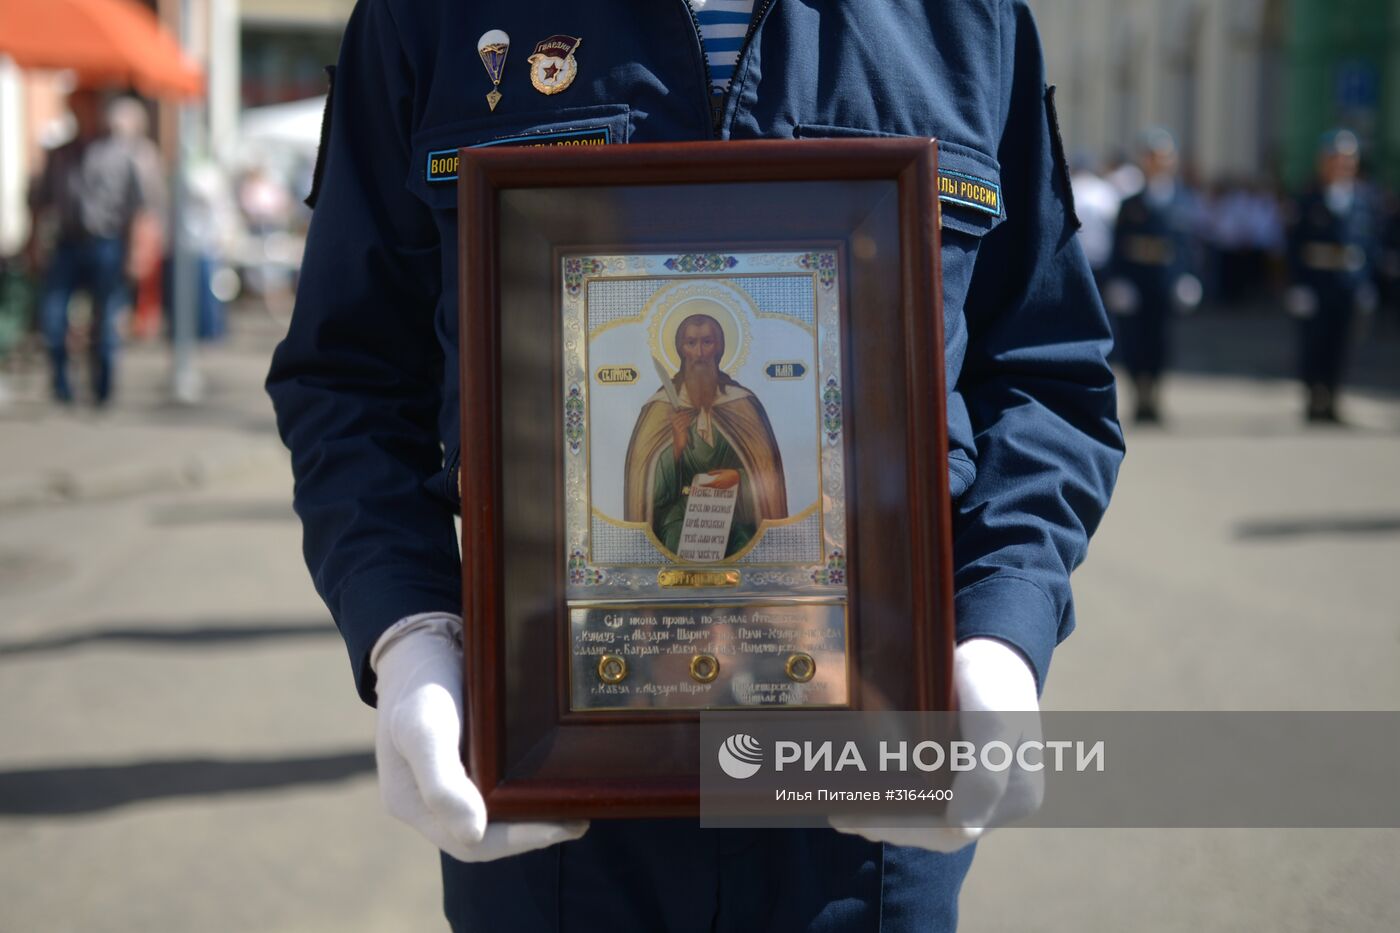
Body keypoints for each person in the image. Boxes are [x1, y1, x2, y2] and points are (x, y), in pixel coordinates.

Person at [266, 2, 1124, 930]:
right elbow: (350, 374)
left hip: (859, 813)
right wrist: (409, 629)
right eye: (696, 337)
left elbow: (1043, 372)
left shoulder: (965, 18)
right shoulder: (428, 17)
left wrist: (999, 629)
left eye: (718, 335)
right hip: (556, 796)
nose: (708, 347)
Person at [623, 309, 787, 557]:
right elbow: (646, 487)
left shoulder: (742, 404)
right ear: (681, 349)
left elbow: (765, 473)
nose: (699, 353)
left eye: (706, 342)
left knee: (743, 547)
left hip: (732, 513)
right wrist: (676, 448)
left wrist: (736, 477)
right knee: (679, 547)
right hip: (679, 515)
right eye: (691, 343)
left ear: (718, 348)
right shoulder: (660, 407)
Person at [28, 88, 149, 405]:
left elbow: (138, 208)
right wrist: (34, 241)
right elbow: (40, 203)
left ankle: (103, 390)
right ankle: (62, 386)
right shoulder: (60, 155)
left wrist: (136, 250)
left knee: (106, 320)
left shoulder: (122, 154)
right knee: (53, 318)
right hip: (67, 242)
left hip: (106, 243)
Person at [1103, 128, 1201, 424]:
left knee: (1160, 341)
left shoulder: (1182, 201)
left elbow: (1188, 245)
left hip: (1165, 280)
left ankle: (1155, 394)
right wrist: (1117, 280)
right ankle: (1139, 395)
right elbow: (1119, 245)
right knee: (1134, 341)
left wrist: (1189, 277)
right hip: (1136, 279)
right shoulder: (1130, 202)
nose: (1157, 162)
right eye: (1152, 157)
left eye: (1163, 157)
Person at [1284, 129, 1378, 424]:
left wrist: (1365, 282)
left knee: (1340, 344)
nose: (1341, 165)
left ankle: (1333, 399)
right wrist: (1297, 284)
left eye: (1348, 159)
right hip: (1316, 282)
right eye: (1335, 159)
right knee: (1314, 343)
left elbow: (1368, 246)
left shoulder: (1362, 201)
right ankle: (1314, 398)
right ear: (1323, 162)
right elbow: (1294, 245)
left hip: (1346, 283)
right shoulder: (1308, 199)